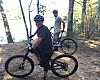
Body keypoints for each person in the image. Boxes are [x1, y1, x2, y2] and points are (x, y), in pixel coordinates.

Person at [32, 15, 53, 80]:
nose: (37, 23)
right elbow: (37, 31)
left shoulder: (44, 29)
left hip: (47, 49)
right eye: (36, 22)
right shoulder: (40, 28)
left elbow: (39, 39)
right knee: (36, 50)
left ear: (42, 22)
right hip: (42, 47)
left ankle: (45, 76)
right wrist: (32, 35)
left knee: (45, 64)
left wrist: (33, 47)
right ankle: (42, 60)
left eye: (39, 22)